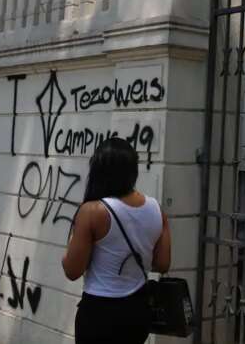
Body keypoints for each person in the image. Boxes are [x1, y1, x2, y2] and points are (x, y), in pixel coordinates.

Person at [62, 137, 171, 344]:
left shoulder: (92, 211)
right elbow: (163, 263)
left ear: (99, 171)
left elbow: (72, 271)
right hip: (137, 311)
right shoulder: (157, 209)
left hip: (99, 313)